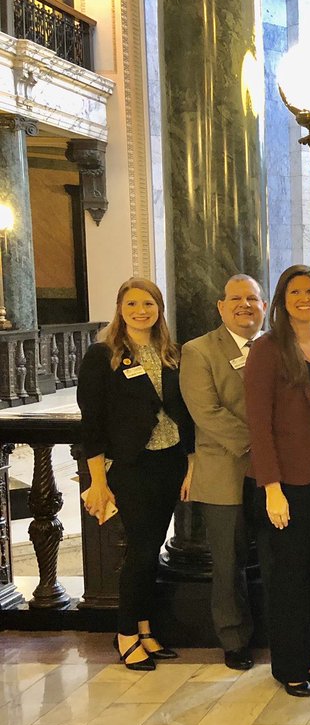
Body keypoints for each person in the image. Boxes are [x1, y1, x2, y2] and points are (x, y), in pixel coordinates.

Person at [79, 277, 195, 671]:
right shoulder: (104, 355)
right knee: (141, 551)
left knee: (153, 547)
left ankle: (146, 628)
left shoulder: (171, 353)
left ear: (159, 308)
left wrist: (190, 463)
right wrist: (98, 480)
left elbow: (185, 412)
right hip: (131, 465)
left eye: (148, 303)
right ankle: (126, 633)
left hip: (170, 461)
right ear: (120, 308)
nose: (141, 310)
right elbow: (91, 425)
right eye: (132, 304)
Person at [245, 264, 310, 698]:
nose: (305, 298)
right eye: (296, 291)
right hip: (286, 482)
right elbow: (258, 425)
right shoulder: (267, 349)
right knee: (288, 576)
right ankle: (288, 668)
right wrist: (271, 488)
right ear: (282, 301)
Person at [180, 274, 267, 671]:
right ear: (221, 306)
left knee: (275, 555)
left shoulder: (274, 347)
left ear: (264, 306)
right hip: (225, 473)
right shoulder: (198, 351)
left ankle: (275, 628)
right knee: (229, 562)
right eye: (236, 298)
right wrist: (262, 443)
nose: (245, 305)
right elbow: (207, 412)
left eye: (253, 298)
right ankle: (234, 639)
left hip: (273, 474)